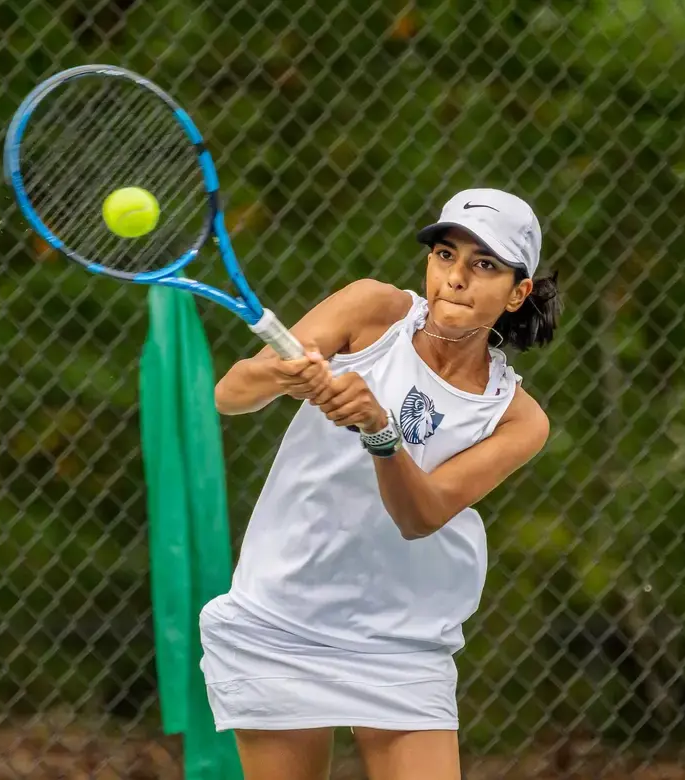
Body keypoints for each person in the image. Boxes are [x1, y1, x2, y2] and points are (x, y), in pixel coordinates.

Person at [201, 188, 562, 780]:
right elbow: (232, 392)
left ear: (518, 292)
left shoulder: (517, 418)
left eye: (485, 265)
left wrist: (380, 430)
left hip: (403, 639)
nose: (456, 277)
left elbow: (420, 515)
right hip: (281, 616)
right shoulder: (372, 310)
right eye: (445, 255)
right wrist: (283, 374)